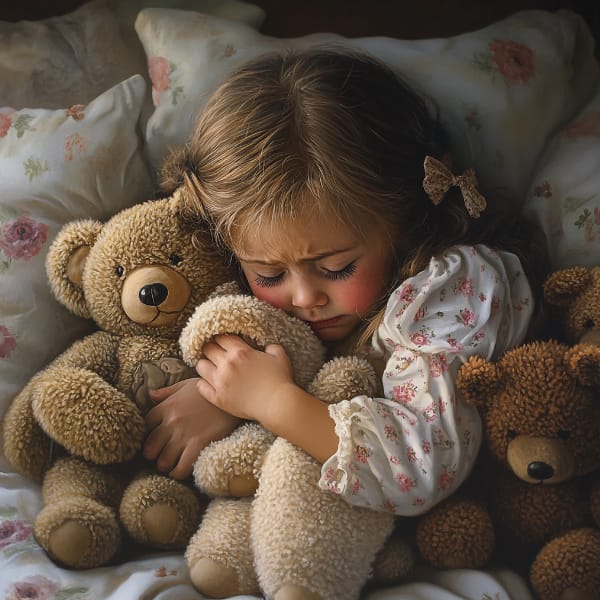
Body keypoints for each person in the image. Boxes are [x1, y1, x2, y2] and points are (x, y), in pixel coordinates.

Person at [144, 47, 549, 516]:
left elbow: (422, 469)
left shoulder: (453, 290)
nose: (303, 297)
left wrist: (269, 401)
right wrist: (225, 392)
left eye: (336, 268)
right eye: (269, 274)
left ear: (401, 220)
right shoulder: (245, 285)